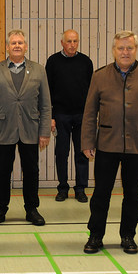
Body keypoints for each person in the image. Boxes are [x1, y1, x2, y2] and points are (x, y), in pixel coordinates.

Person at [81, 31, 138, 255]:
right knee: (101, 194)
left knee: (133, 195)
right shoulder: (100, 76)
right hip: (107, 144)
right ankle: (95, 235)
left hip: (137, 145)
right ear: (114, 50)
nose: (125, 52)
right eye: (121, 48)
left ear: (136, 50)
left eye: (129, 48)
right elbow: (90, 112)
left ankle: (128, 236)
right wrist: (87, 141)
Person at [0, 29, 52, 227]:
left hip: (31, 129)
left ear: (26, 47)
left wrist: (44, 131)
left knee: (31, 171)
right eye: (13, 43)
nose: (17, 46)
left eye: (20, 43)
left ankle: (32, 209)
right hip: (3, 129)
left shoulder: (39, 70)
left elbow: (46, 105)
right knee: (3, 172)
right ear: (7, 47)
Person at [46, 29, 93, 203]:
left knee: (82, 153)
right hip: (60, 115)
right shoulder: (53, 61)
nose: (72, 45)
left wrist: (91, 116)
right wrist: (50, 116)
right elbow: (47, 91)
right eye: (69, 41)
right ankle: (63, 188)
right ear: (62, 43)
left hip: (82, 116)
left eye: (75, 41)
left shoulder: (86, 62)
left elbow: (92, 91)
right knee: (61, 153)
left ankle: (80, 189)